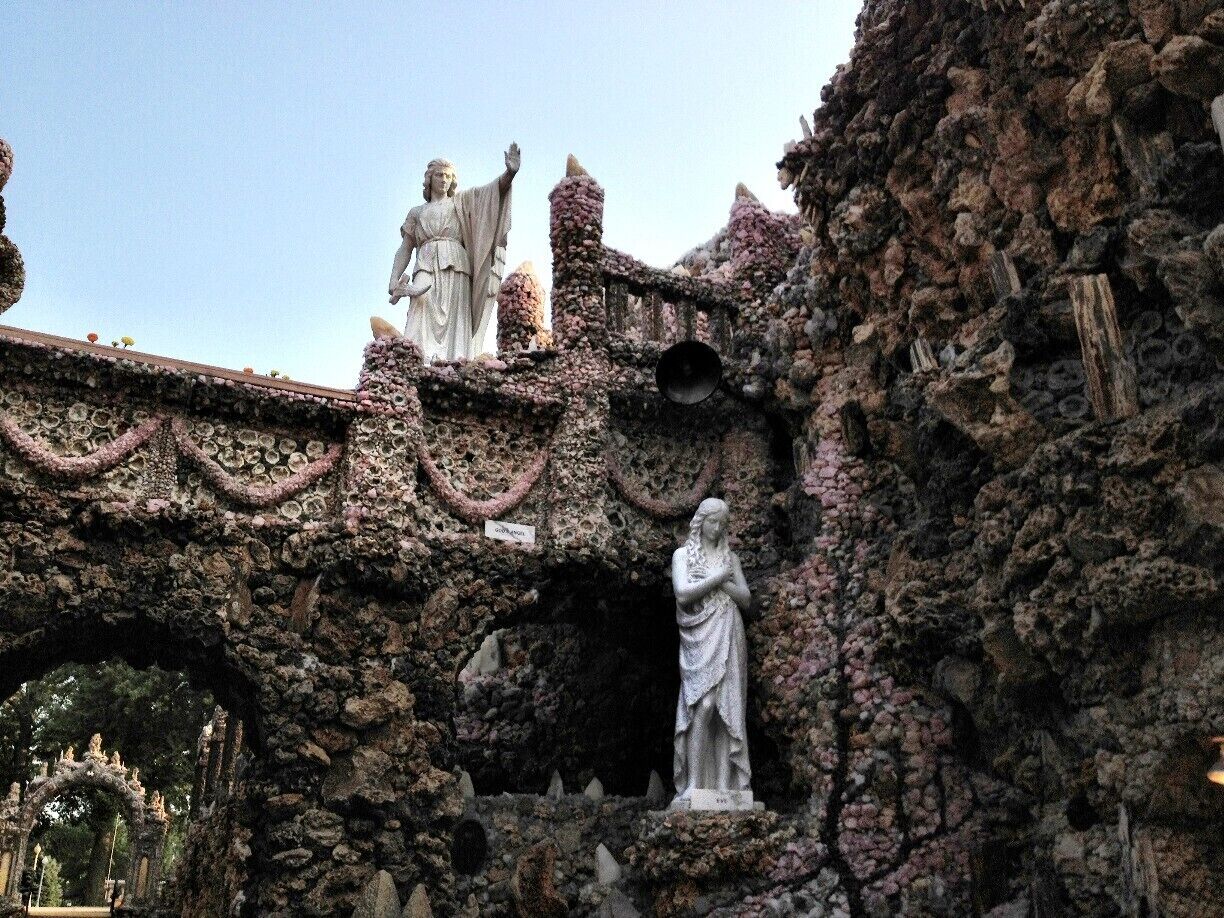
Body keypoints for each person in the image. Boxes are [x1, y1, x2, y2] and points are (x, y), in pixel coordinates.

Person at [388, 144, 519, 361]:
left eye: (448, 176)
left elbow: (491, 194)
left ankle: (455, 364)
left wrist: (509, 173)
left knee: (455, 319)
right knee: (420, 310)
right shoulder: (417, 212)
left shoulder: (461, 203)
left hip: (456, 265)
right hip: (426, 262)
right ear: (429, 179)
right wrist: (394, 278)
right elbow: (405, 248)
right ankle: (415, 362)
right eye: (439, 175)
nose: (444, 180)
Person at [671, 497, 752, 800]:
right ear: (701, 522)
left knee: (725, 708)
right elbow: (682, 594)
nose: (717, 528)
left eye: (722, 523)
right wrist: (718, 578)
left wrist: (716, 581)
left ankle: (723, 787)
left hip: (729, 627)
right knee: (702, 705)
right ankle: (694, 784)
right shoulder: (683, 556)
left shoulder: (731, 559)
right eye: (712, 521)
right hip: (700, 634)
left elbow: (745, 598)